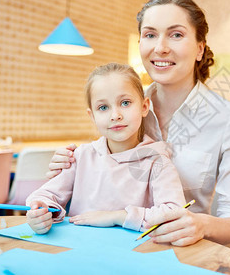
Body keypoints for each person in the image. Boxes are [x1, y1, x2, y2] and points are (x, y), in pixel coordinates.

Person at [46, 0, 230, 253]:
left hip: (183, 250)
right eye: (150, 35)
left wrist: (201, 224)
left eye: (176, 35)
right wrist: (70, 163)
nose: (160, 47)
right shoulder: (125, 106)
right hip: (111, 247)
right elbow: (101, 169)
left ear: (200, 48)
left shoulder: (228, 119)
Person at [26, 63, 186, 234]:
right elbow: (45, 196)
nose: (115, 115)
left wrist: (118, 217)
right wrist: (41, 210)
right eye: (103, 107)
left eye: (125, 103)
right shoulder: (81, 156)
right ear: (92, 116)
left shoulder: (157, 161)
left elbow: (175, 213)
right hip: (79, 248)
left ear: (144, 107)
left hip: (134, 252)